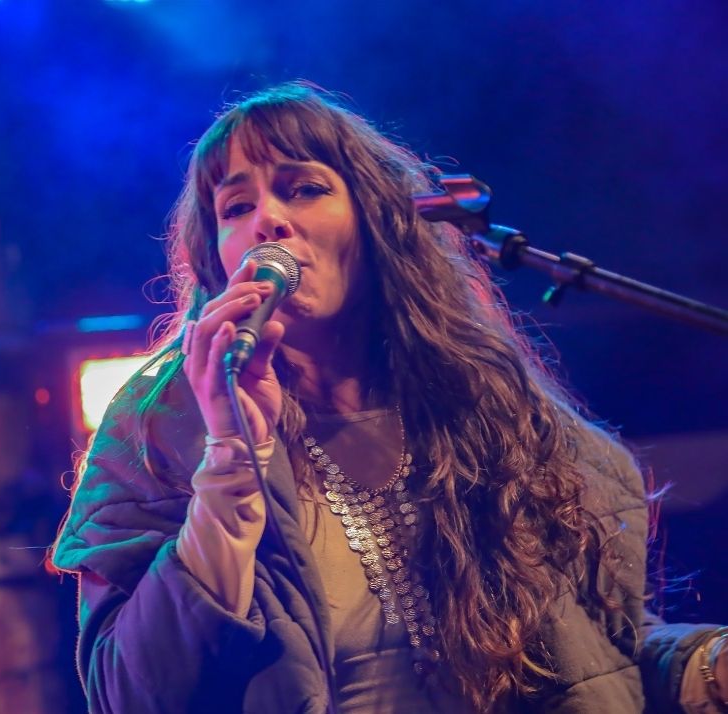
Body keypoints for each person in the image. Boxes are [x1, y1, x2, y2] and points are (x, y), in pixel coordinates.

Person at [50, 82, 727, 713]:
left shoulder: (495, 413)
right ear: (216, 255)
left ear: (378, 221)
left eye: (303, 189)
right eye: (236, 207)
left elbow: (598, 655)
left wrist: (707, 666)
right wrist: (228, 463)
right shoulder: (159, 432)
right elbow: (127, 692)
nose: (268, 221)